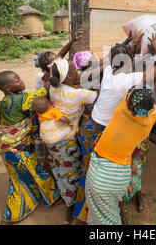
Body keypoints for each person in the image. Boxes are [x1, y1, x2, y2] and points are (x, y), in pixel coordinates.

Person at [72, 32, 156, 224]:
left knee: (91, 171)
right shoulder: (128, 81)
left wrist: (132, 44)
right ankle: (121, 203)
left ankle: (85, 213)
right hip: (107, 133)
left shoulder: (108, 72)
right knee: (132, 164)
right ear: (130, 62)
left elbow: (116, 60)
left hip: (90, 129)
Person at [85, 85, 156, 225]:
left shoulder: (121, 108)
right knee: (108, 217)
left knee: (101, 218)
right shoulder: (148, 122)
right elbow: (153, 106)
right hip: (118, 174)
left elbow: (130, 91)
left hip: (99, 172)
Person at [0, 71, 60, 224]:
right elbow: (39, 96)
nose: (21, 80)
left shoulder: (4, 102)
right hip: (20, 149)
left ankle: (25, 203)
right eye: (17, 80)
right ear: (7, 87)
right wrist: (51, 80)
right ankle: (52, 199)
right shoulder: (20, 99)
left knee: (17, 179)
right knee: (38, 173)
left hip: (7, 149)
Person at [45, 57, 98, 224]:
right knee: (72, 175)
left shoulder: (53, 88)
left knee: (59, 169)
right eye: (75, 70)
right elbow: (95, 95)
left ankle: (63, 196)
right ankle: (70, 206)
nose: (78, 72)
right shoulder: (77, 94)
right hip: (64, 140)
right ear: (68, 77)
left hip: (51, 138)